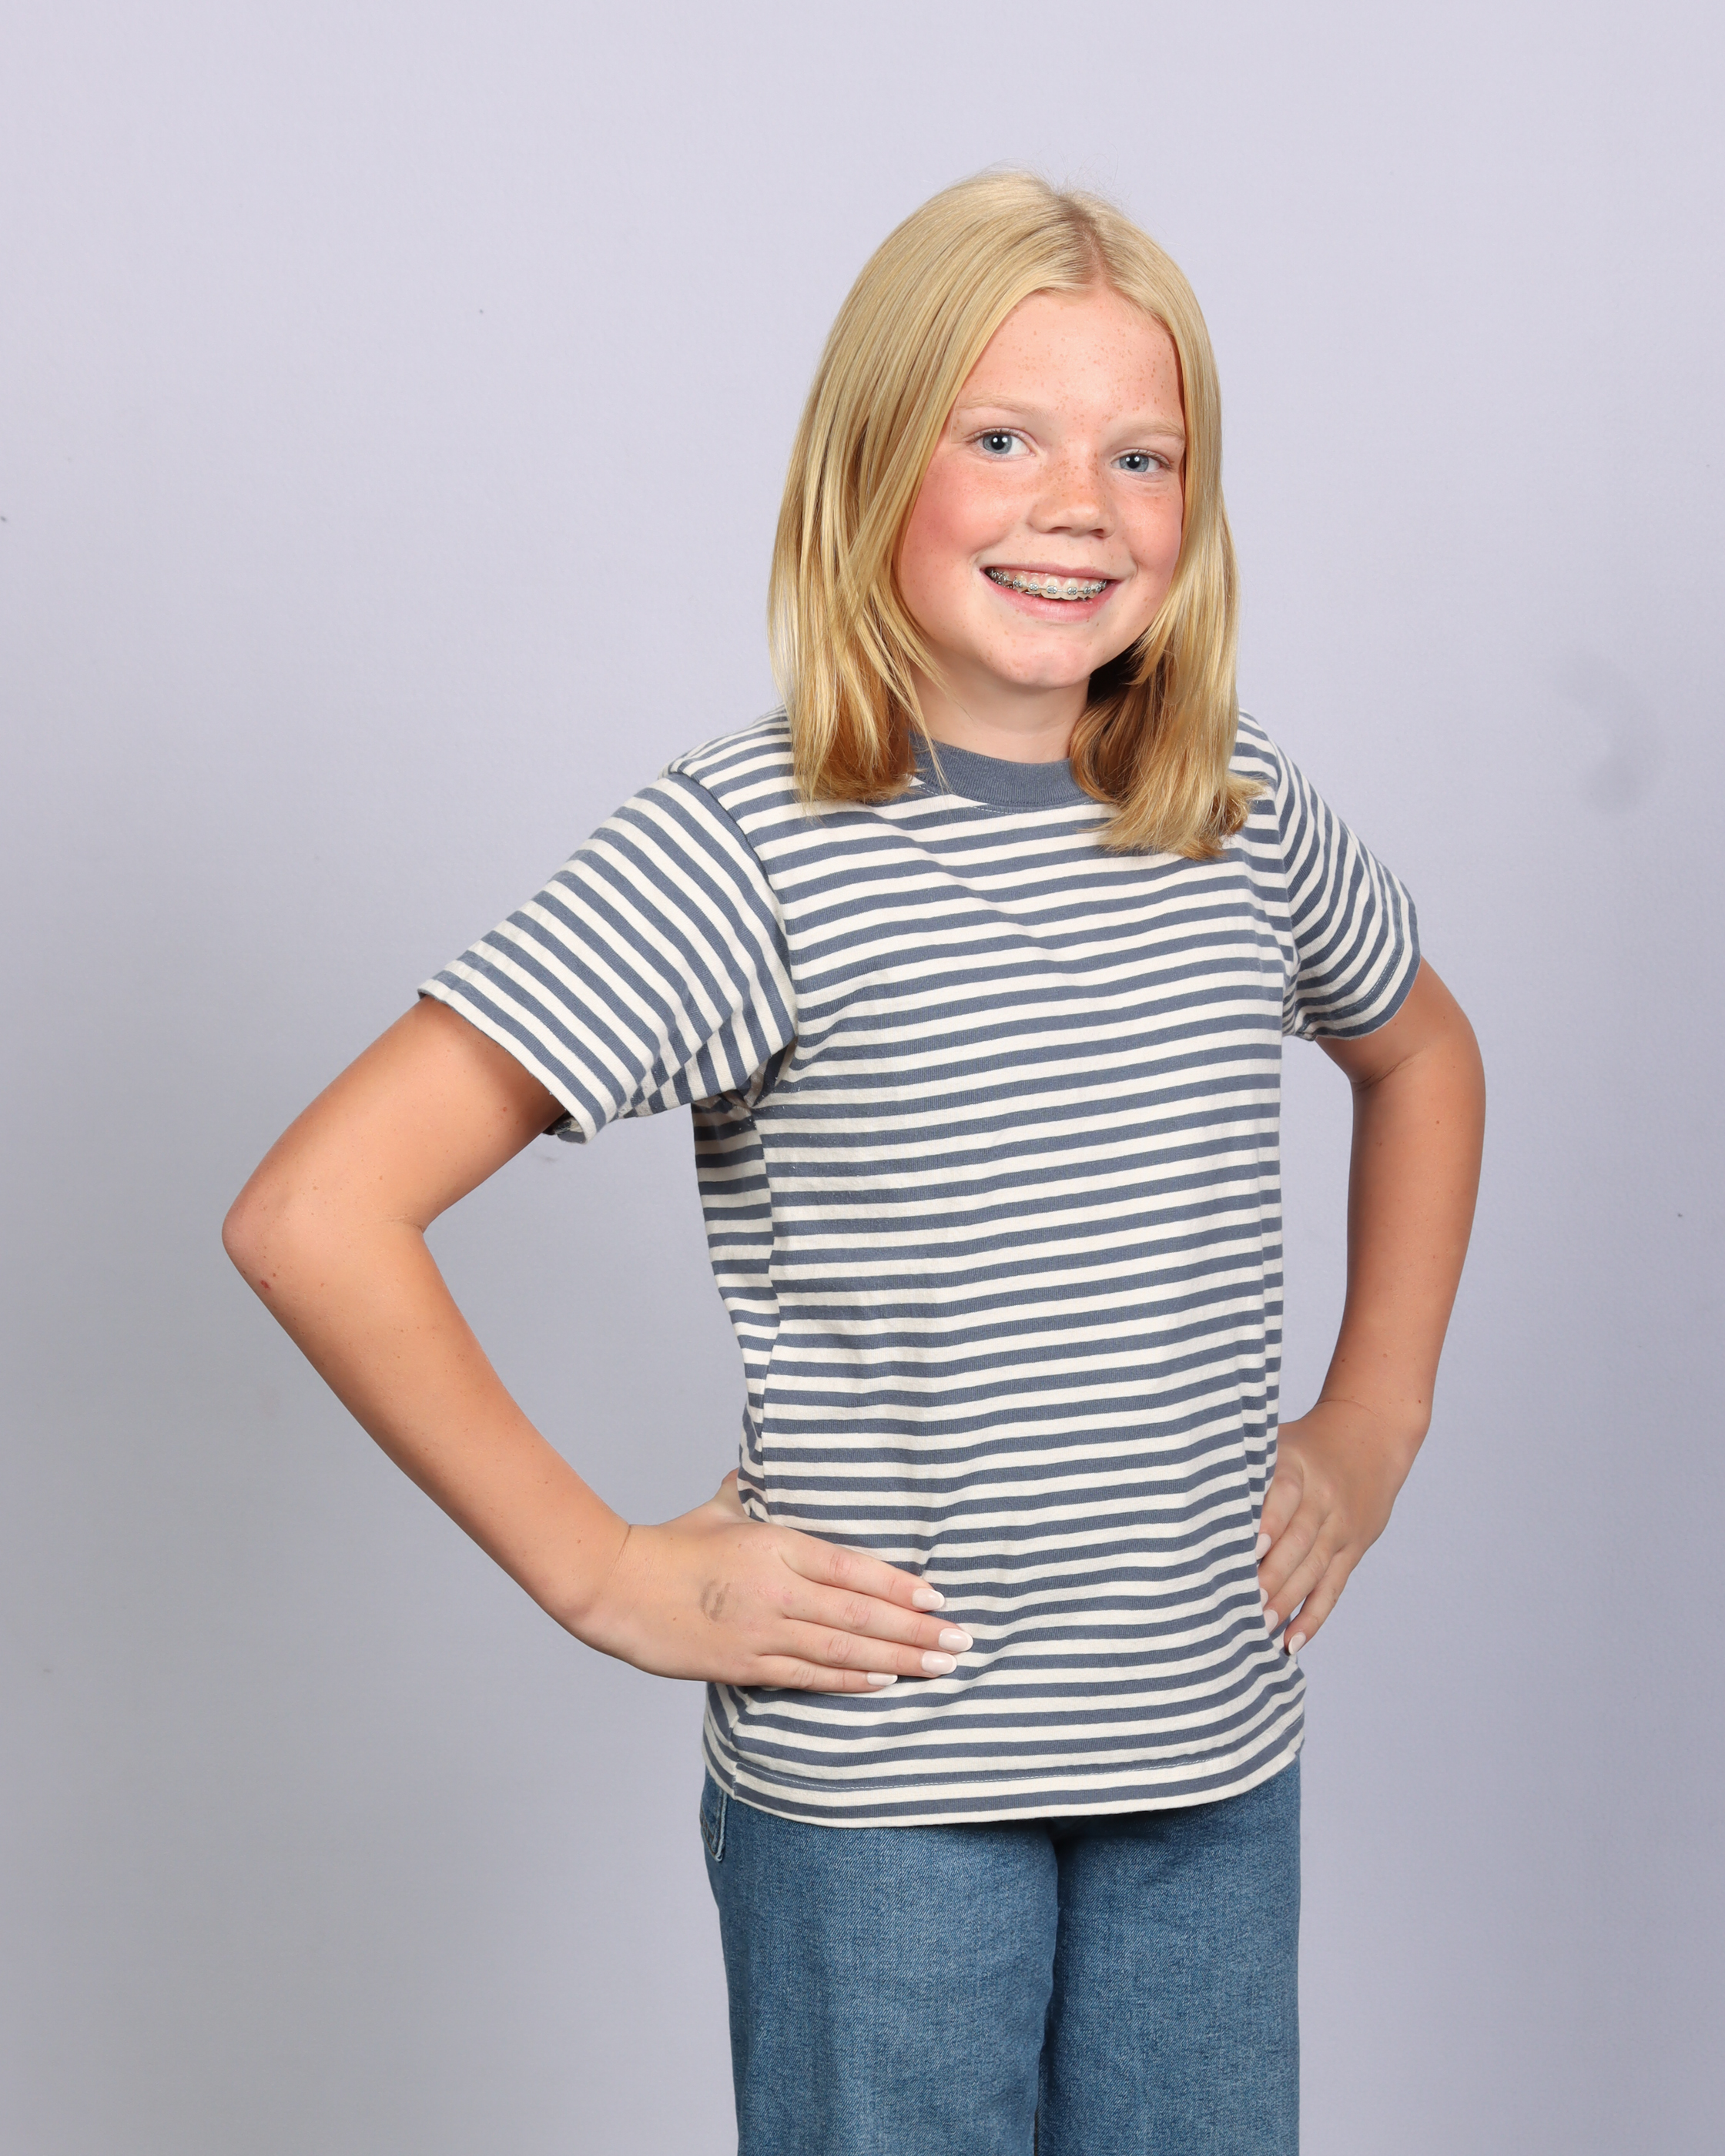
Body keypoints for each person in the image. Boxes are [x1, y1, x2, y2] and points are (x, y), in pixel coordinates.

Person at [224, 171, 1486, 2155]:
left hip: (1209, 1760)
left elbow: (1422, 1054)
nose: (1080, 507)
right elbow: (316, 1212)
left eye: (1142, 456)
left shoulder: (1237, 810)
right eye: (1003, 439)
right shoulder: (749, 846)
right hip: (885, 1799)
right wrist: (602, 1572)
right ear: (872, 463)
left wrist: (1376, 1420)